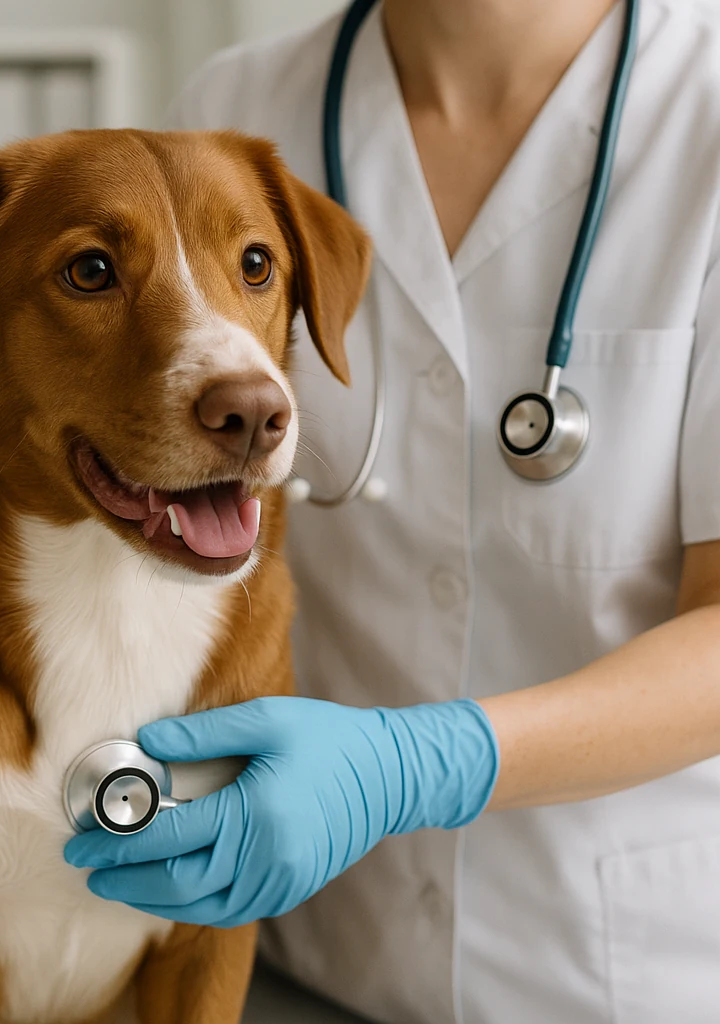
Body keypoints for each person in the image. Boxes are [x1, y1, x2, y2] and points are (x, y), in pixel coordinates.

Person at [64, 1, 720, 1021]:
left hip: (616, 973)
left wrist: (412, 769)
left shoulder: (702, 109)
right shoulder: (234, 106)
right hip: (296, 948)